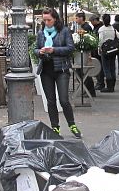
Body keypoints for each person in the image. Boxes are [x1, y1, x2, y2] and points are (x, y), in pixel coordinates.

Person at [33, 8, 82, 138]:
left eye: (49, 19)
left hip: (62, 70)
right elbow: (35, 49)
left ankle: (72, 125)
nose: (47, 22)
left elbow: (70, 48)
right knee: (51, 101)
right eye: (44, 20)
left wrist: (53, 50)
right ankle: (55, 127)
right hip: (46, 70)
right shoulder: (41, 33)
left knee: (64, 100)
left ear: (55, 19)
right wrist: (40, 52)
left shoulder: (64, 31)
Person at [97, 14, 119, 93]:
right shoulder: (113, 29)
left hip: (105, 50)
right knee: (112, 67)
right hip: (113, 50)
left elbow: (100, 40)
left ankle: (109, 86)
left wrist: (99, 48)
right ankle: (112, 86)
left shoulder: (102, 29)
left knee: (106, 68)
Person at [73, 12, 96, 98]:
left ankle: (90, 90)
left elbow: (88, 40)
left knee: (84, 72)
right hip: (81, 53)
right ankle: (86, 89)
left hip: (85, 53)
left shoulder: (86, 27)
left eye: (77, 18)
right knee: (81, 72)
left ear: (81, 18)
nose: (76, 20)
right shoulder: (83, 27)